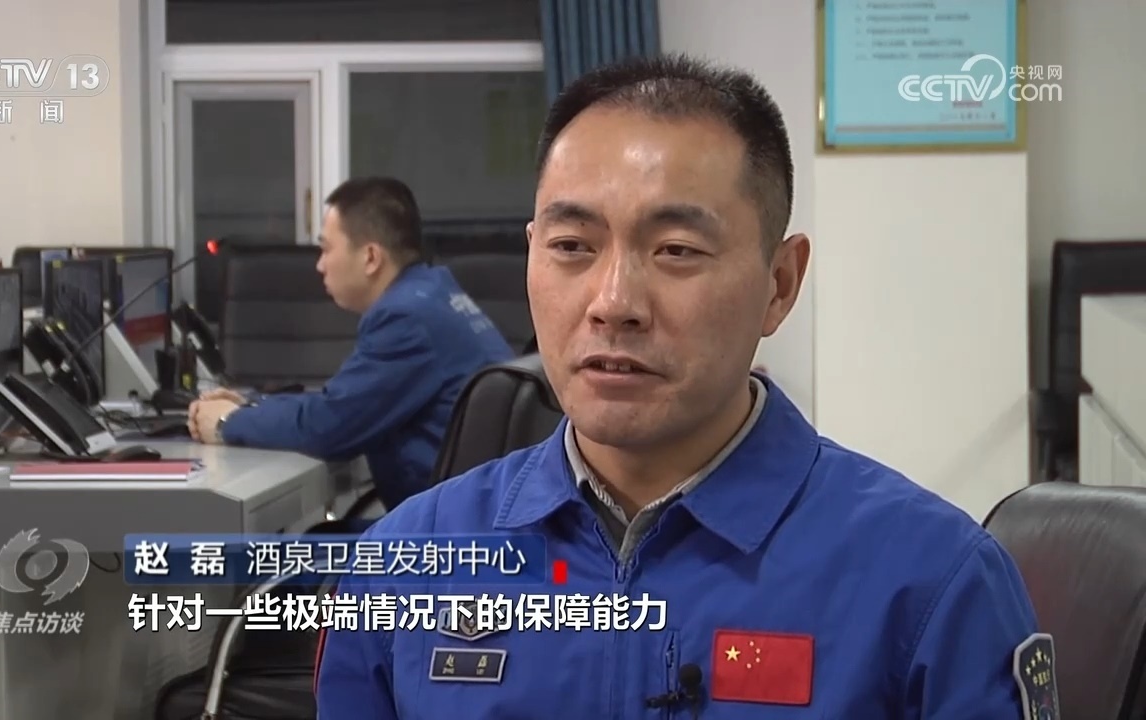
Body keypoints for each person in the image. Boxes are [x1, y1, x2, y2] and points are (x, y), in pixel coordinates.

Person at [313, 56, 1052, 718]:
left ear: (779, 284)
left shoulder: (931, 583)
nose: (613, 302)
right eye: (572, 246)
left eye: (676, 250)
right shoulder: (405, 568)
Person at [188, 177, 515, 512]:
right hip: (464, 519)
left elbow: (327, 428)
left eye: (326, 249)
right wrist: (252, 405)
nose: (319, 265)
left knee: (289, 546)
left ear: (370, 257)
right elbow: (342, 403)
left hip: (439, 535)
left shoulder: (406, 318)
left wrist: (229, 423)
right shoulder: (434, 293)